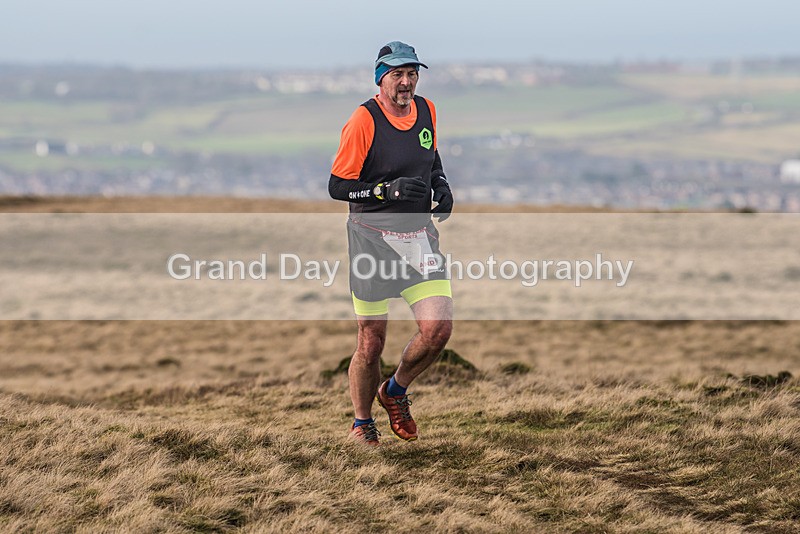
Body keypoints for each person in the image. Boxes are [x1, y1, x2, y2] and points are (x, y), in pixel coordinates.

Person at [328, 41, 454, 445]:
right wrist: (386, 191)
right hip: (371, 240)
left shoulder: (427, 110)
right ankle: (362, 424)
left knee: (438, 329)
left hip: (418, 237)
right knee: (371, 339)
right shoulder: (363, 120)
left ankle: (395, 390)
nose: (406, 82)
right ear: (381, 78)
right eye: (398, 74)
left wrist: (442, 184)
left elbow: (430, 156)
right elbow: (339, 186)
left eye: (412, 73)